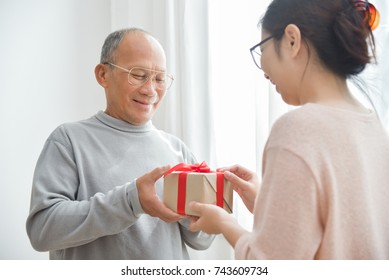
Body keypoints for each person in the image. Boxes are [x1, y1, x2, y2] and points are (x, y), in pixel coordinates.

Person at [189, 0, 389, 259]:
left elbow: (270, 265)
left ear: (292, 40)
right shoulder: (374, 128)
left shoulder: (298, 129)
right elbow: (343, 227)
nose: (263, 71)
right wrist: (266, 203)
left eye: (262, 48)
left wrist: (224, 223)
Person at [26, 28, 214, 259]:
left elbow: (203, 240)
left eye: (159, 78)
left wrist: (201, 209)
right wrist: (131, 200)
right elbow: (42, 231)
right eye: (138, 74)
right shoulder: (68, 140)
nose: (150, 90)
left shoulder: (177, 149)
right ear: (103, 75)